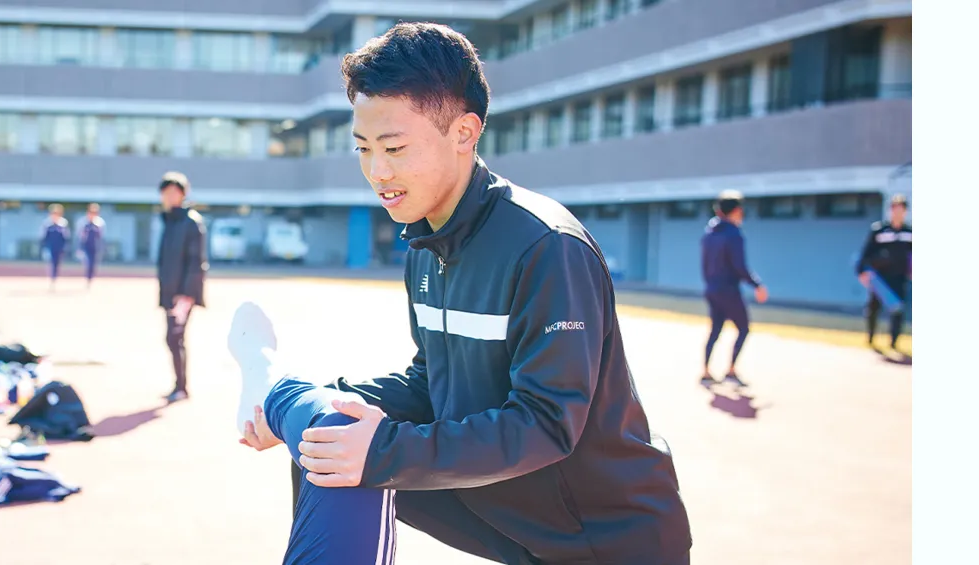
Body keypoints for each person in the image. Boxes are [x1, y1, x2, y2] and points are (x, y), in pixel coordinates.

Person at [236, 22, 691, 565]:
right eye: (363, 149)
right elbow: (434, 381)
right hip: (512, 520)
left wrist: (381, 452)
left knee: (354, 452)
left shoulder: (547, 247)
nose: (378, 172)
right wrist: (342, 405)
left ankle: (286, 396)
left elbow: (546, 424)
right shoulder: (426, 242)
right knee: (331, 444)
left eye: (395, 147)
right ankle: (285, 397)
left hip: (607, 539)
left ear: (464, 133)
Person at [699, 190, 768, 387]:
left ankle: (705, 370)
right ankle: (730, 370)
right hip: (729, 290)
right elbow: (740, 267)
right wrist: (757, 284)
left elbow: (704, 266)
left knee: (715, 330)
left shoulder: (709, 234)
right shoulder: (733, 234)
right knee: (743, 328)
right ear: (736, 211)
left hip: (711, 289)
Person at [156, 172, 207, 403]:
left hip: (183, 295)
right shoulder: (168, 221)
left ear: (183, 194)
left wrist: (186, 295)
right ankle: (179, 385)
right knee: (172, 339)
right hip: (170, 291)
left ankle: (182, 387)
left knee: (174, 338)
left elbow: (197, 262)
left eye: (174, 192)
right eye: (165, 193)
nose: (169, 197)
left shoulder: (191, 222)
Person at [855, 193, 912, 351]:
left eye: (901, 208)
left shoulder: (909, 232)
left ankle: (894, 342)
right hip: (880, 278)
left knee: (897, 310)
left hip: (899, 277)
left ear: (905, 211)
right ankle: (871, 337)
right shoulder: (879, 230)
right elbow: (865, 253)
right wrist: (861, 271)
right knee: (873, 308)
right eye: (894, 208)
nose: (897, 212)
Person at [39, 203, 70, 292]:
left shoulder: (63, 224)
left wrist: (65, 248)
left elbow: (66, 237)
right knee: (51, 263)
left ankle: (54, 278)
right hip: (50, 247)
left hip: (59, 248)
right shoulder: (47, 225)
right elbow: (43, 237)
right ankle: (52, 280)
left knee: (56, 264)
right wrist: (44, 248)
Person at [77, 203, 106, 288]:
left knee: (93, 264)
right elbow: (80, 236)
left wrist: (102, 248)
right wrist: (79, 248)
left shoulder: (100, 223)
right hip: (86, 246)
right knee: (88, 263)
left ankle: (90, 279)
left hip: (95, 247)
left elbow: (101, 237)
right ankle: (87, 278)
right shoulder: (83, 223)